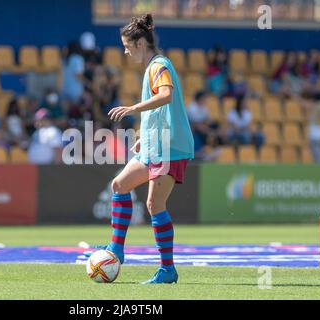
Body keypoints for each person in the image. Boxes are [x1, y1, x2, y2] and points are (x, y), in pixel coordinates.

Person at [85, 14, 194, 284]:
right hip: (154, 145)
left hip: (170, 148)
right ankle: (117, 250)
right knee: (119, 185)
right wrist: (144, 136)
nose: (125, 50)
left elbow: (166, 95)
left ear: (141, 43)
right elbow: (162, 108)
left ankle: (167, 269)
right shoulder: (152, 66)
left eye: (127, 45)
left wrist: (133, 108)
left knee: (154, 205)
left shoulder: (159, 65)